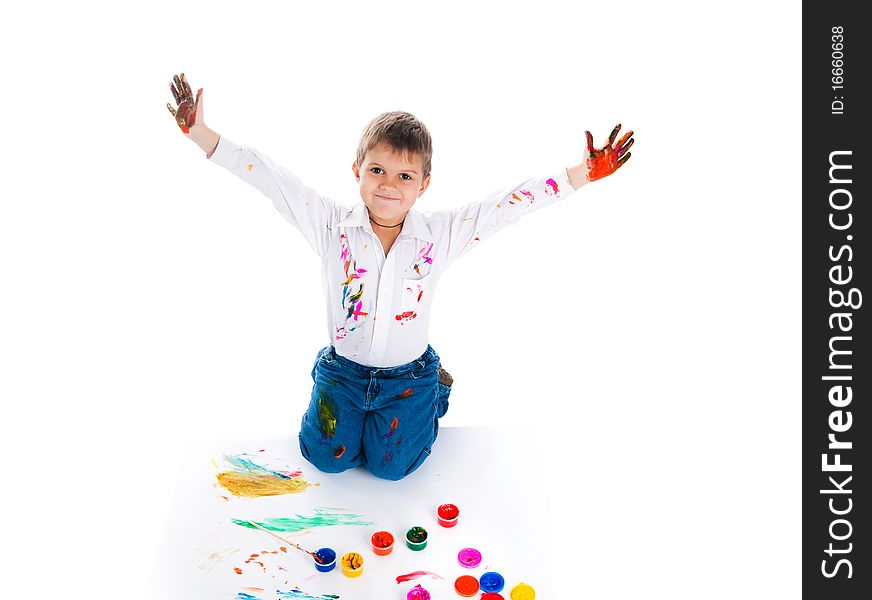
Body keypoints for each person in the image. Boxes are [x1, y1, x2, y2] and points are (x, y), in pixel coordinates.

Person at [167, 72, 634, 480]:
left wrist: (581, 174)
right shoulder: (330, 226)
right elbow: (268, 177)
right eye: (377, 170)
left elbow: (504, 207)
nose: (389, 185)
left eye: (405, 176)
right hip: (344, 373)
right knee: (325, 459)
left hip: (405, 377)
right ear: (356, 171)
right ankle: (349, 407)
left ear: (424, 184)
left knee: (394, 470)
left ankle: (436, 391)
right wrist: (202, 135)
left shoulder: (439, 236)